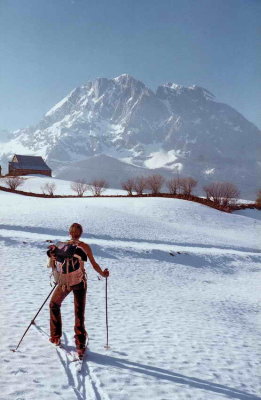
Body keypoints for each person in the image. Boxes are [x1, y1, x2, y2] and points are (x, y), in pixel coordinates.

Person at [47, 222, 109, 357]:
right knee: (79, 313)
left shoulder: (62, 245)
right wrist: (103, 274)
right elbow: (94, 263)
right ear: (81, 233)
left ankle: (55, 337)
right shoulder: (84, 246)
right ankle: (80, 345)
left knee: (54, 304)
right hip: (79, 282)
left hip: (64, 282)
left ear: (70, 232)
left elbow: (53, 261)